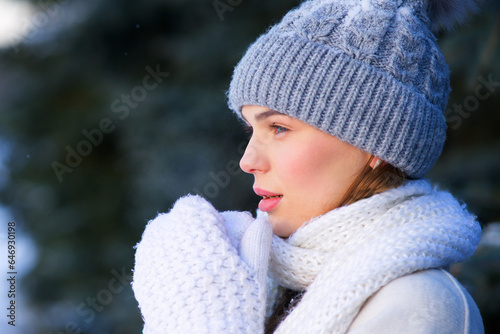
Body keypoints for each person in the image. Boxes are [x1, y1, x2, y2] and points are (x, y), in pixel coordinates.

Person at [132, 0, 484, 333]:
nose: (248, 161)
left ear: (374, 146)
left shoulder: (419, 307)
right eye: (250, 129)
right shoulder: (268, 283)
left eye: (279, 128)